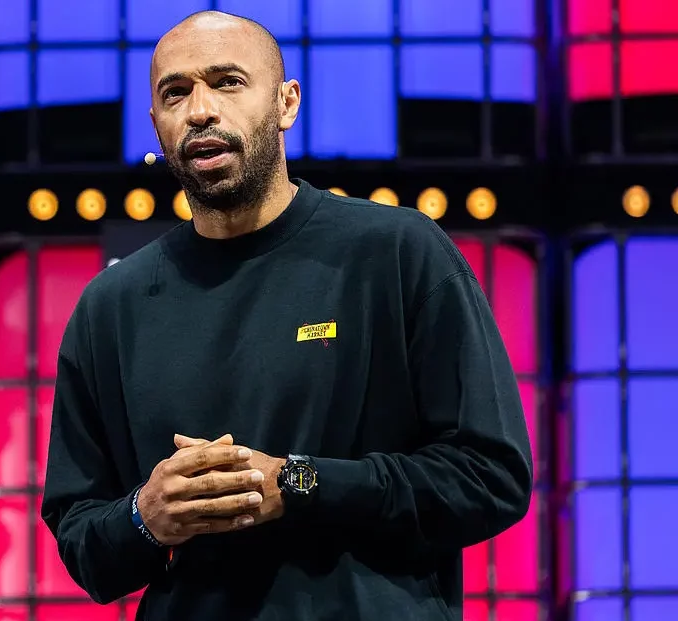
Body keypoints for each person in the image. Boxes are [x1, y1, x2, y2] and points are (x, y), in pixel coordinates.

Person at [38, 9, 533, 621]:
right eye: (176, 92)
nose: (200, 111)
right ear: (156, 124)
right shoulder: (110, 307)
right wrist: (147, 516)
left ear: (285, 104)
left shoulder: (397, 252)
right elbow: (82, 539)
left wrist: (299, 484)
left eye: (226, 82)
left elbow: (491, 477)